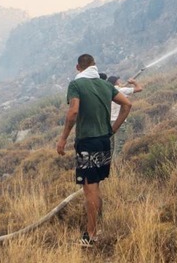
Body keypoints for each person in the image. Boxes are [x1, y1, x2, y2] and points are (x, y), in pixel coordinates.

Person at [56, 54, 131, 247]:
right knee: (95, 185)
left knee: (89, 188)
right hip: (104, 142)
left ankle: (91, 234)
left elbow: (73, 112)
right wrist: (112, 129)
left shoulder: (76, 85)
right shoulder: (105, 85)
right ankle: (98, 226)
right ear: (94, 66)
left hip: (87, 143)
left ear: (77, 67)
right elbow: (127, 104)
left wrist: (63, 138)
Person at [106, 75, 143, 159]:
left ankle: (109, 168)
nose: (120, 81)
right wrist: (134, 82)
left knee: (111, 147)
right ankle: (117, 168)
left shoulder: (107, 91)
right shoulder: (121, 90)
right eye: (118, 80)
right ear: (116, 82)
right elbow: (139, 88)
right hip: (119, 121)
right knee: (119, 147)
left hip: (108, 122)